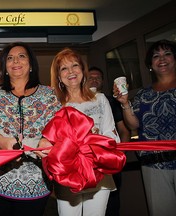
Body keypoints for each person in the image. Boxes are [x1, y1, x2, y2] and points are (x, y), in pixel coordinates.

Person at [0, 42, 61, 216]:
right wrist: (0, 141)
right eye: (10, 58)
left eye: (21, 56)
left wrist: (49, 140)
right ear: (4, 67)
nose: (16, 61)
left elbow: (59, 126)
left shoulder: (49, 95)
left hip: (37, 184)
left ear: (31, 64)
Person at [49, 48, 120, 216]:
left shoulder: (100, 99)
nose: (71, 71)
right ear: (59, 76)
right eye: (64, 68)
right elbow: (50, 142)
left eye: (75, 65)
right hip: (67, 176)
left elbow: (112, 135)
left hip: (99, 173)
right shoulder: (53, 105)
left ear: (82, 70)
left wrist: (96, 141)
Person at [113, 39, 176, 216]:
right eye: (156, 56)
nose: (162, 59)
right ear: (150, 65)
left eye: (167, 54)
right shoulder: (143, 94)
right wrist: (125, 103)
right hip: (153, 162)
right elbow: (134, 124)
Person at [87, 66, 131, 216]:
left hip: (109, 159)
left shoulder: (111, 101)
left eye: (97, 77)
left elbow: (124, 130)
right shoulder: (76, 101)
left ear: (103, 82)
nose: (94, 80)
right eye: (90, 77)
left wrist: (119, 155)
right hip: (85, 163)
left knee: (111, 204)